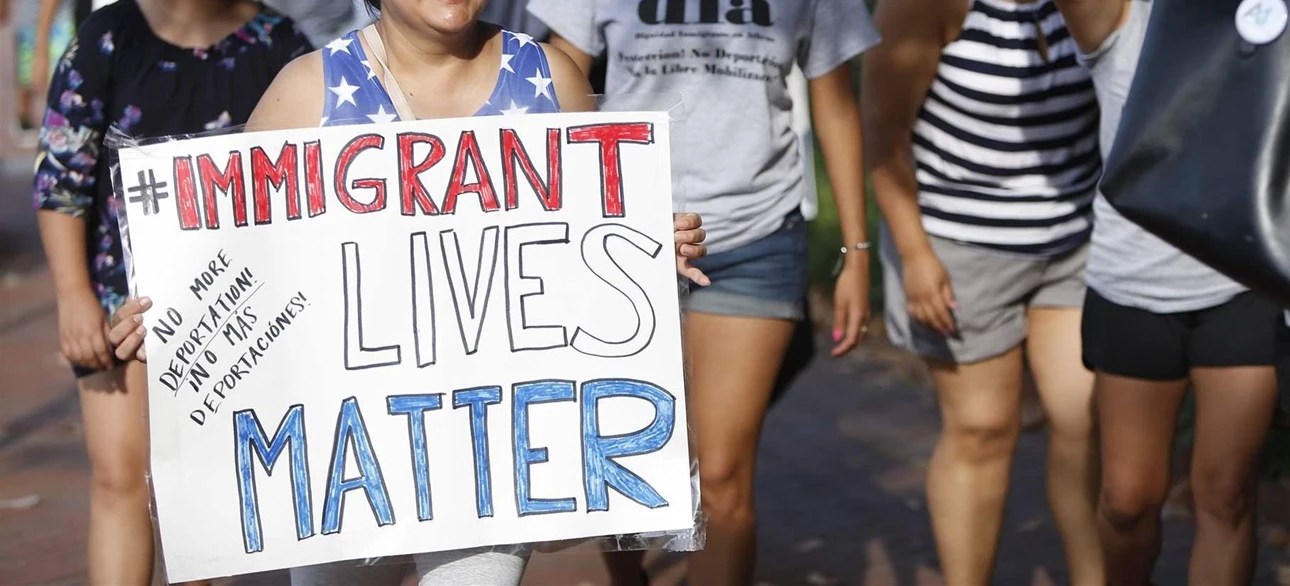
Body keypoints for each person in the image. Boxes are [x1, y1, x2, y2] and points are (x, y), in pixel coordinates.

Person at [108, 0, 709, 584]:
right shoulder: (310, 88)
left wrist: (641, 246)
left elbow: (584, 237)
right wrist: (167, 319)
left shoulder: (549, 77)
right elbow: (232, 257)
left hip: (487, 457)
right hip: (340, 463)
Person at [527, 1, 879, 583]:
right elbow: (553, 82)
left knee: (720, 476)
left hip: (755, 236)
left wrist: (858, 255)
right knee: (624, 461)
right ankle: (628, 576)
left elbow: (835, 102)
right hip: (622, 239)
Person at [30, 1, 311, 583]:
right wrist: (72, 294)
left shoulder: (281, 44)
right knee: (119, 477)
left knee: (200, 491)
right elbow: (62, 174)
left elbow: (311, 173)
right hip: (117, 303)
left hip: (237, 308)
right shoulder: (108, 38)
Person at [862, 0, 1104, 583]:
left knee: (1087, 419)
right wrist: (916, 255)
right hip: (958, 245)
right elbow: (881, 130)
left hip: (1073, 236)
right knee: (982, 429)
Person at [1052, 1, 1281, 584]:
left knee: (1227, 493)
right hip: (1132, 287)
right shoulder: (1122, 13)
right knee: (1127, 503)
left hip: (1245, 283)